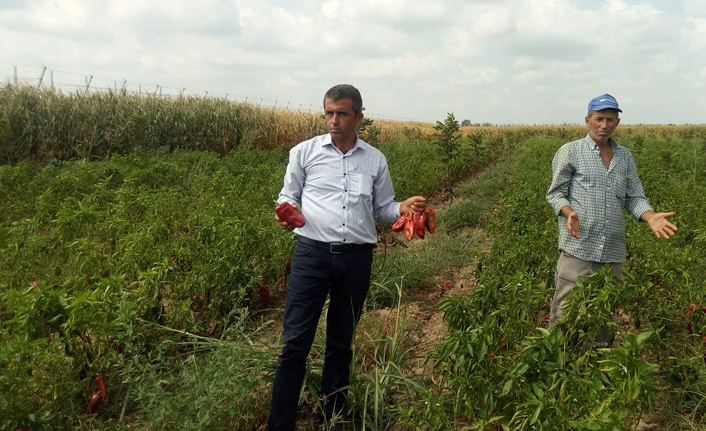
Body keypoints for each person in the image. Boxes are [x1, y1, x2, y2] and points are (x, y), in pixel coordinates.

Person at [269, 84, 426, 430]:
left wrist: (402, 207)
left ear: (359, 116)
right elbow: (288, 195)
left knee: (341, 341)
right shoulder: (304, 153)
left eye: (341, 113)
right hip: (311, 254)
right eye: (328, 113)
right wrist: (286, 211)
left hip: (356, 259)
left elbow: (382, 207)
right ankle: (280, 424)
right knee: (295, 343)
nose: (333, 120)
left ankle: (332, 417)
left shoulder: (375, 159)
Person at [545, 93, 677, 345]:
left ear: (617, 123)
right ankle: (561, 359)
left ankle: (597, 363)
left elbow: (634, 196)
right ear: (587, 120)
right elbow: (555, 193)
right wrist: (568, 212)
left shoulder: (624, 156)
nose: (604, 124)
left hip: (612, 250)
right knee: (567, 309)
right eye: (599, 119)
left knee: (603, 313)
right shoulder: (570, 151)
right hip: (578, 247)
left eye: (610, 119)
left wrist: (649, 217)